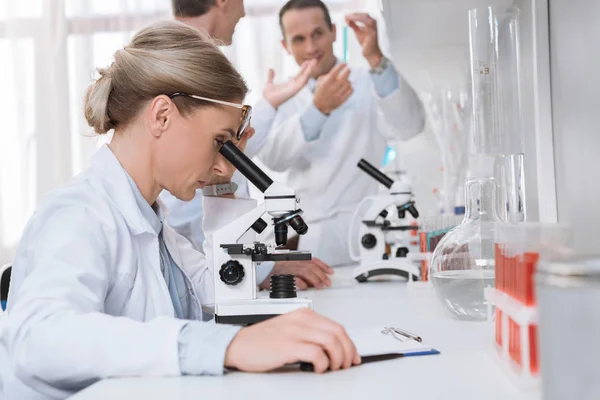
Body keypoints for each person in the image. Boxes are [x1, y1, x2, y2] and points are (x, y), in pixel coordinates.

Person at [0, 21, 360, 399]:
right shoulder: (78, 215)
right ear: (162, 116)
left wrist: (225, 177)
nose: (224, 162)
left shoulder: (156, 226)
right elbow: (38, 338)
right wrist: (228, 347)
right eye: (220, 142)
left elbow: (220, 287)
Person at [163, 0, 333, 290]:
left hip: (208, 265)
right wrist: (260, 267)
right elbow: (188, 197)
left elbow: (223, 155)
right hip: (196, 273)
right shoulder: (182, 65)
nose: (244, 10)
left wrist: (268, 105)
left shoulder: (190, 59)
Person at [255, 0, 426, 267]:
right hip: (308, 237)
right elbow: (274, 158)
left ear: (334, 31)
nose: (311, 48)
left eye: (318, 34)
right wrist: (318, 110)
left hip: (361, 233)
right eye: (299, 39)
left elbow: (410, 125)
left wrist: (376, 59)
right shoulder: (283, 95)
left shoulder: (369, 79)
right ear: (285, 46)